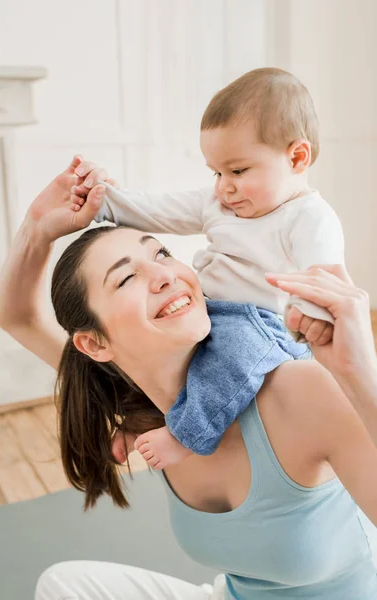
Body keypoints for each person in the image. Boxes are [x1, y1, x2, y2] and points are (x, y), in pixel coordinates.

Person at [0, 158, 377, 599]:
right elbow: (17, 318)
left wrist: (359, 374)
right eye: (125, 279)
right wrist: (39, 225)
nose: (164, 274)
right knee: (62, 584)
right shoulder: (144, 410)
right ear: (96, 345)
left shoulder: (296, 389)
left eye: (160, 252)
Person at [74, 67, 345, 466]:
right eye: (216, 172)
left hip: (259, 326)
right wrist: (104, 200)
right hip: (205, 308)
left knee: (227, 363)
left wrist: (317, 313)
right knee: (162, 358)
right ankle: (140, 415)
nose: (224, 186)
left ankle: (187, 434)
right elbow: (157, 210)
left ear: (297, 157)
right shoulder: (218, 202)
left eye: (238, 171)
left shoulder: (307, 217)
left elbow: (324, 276)